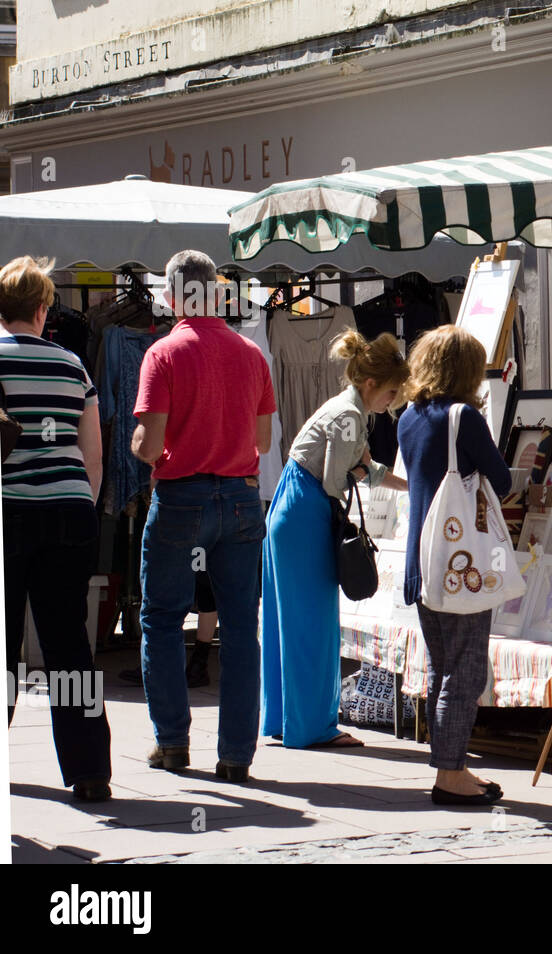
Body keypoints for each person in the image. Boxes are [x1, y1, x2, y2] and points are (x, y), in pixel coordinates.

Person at [132, 250, 274, 783]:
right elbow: (262, 441)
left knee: (163, 619)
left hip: (181, 497)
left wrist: (140, 443)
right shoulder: (250, 354)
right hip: (239, 497)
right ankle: (236, 755)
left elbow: (148, 446)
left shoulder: (163, 353)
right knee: (241, 627)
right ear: (216, 292)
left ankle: (172, 742)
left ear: (172, 296)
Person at [261, 329, 408, 749]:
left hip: (292, 506)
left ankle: (284, 718)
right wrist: (366, 470)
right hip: (308, 509)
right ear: (371, 384)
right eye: (391, 393)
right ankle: (312, 727)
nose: (392, 402)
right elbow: (336, 479)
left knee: (285, 619)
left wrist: (391, 478)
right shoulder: (351, 417)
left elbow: (363, 470)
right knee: (313, 622)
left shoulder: (345, 409)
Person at [1, 255, 113, 802]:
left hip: (7, 511)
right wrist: (81, 506)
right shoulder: (73, 366)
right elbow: (93, 456)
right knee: (69, 645)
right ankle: (90, 769)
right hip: (70, 511)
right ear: (44, 308)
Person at [399, 325, 509, 806]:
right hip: (458, 563)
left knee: (442, 667)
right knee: (465, 672)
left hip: (422, 561)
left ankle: (452, 766)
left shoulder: (408, 416)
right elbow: (501, 481)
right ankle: (450, 773)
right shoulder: (464, 416)